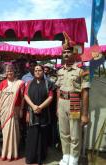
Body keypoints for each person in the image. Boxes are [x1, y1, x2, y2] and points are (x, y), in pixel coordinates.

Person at [56, 32, 90, 165]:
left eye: (68, 52)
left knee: (75, 133)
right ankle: (66, 155)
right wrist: (57, 107)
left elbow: (85, 92)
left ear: (74, 54)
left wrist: (85, 114)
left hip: (75, 100)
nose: (66, 54)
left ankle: (74, 158)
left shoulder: (82, 70)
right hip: (62, 102)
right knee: (63, 132)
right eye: (64, 52)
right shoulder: (60, 71)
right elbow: (58, 90)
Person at [24, 65, 53, 165]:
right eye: (36, 70)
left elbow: (50, 97)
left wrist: (40, 107)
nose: (37, 72)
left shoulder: (48, 83)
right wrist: (33, 106)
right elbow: (25, 95)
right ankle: (31, 157)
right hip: (32, 113)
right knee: (32, 134)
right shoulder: (29, 83)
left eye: (39, 70)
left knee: (42, 135)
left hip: (43, 112)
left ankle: (41, 157)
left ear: (43, 72)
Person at [0, 64, 25, 161]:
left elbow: (23, 98)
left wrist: (21, 109)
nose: (9, 73)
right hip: (4, 110)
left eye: (11, 71)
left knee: (14, 131)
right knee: (5, 132)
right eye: (7, 71)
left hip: (14, 110)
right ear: (5, 73)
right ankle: (5, 153)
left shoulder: (20, 83)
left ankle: (13, 153)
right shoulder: (2, 83)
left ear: (14, 72)